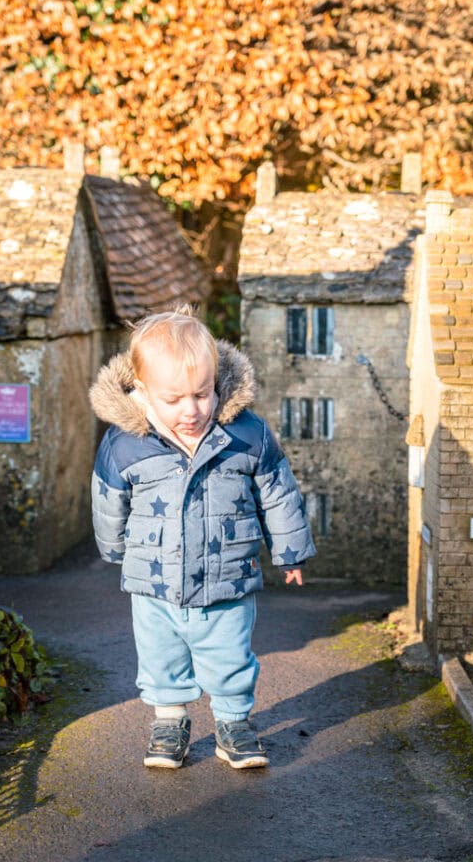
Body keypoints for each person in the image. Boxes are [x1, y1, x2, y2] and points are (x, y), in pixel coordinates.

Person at [89, 306, 315, 769]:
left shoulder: (245, 433)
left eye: (202, 394)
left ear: (217, 382)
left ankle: (233, 724)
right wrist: (112, 548)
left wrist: (289, 551)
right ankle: (169, 722)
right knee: (160, 657)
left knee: (231, 656)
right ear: (142, 389)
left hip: (229, 576)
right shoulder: (125, 441)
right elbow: (109, 498)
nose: (191, 410)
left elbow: (277, 491)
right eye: (174, 399)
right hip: (156, 583)